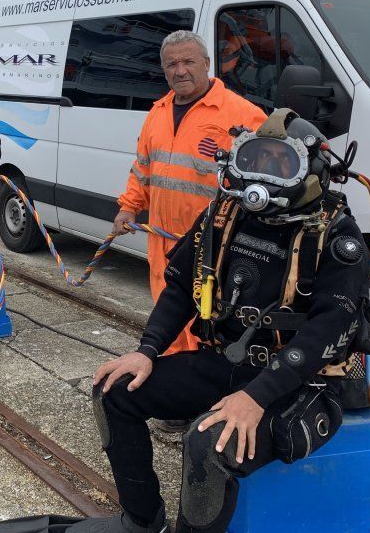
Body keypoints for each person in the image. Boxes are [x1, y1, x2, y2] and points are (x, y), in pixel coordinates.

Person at [63, 109, 370, 533]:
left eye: (280, 165)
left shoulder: (337, 237)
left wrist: (258, 397)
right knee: (112, 391)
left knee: (207, 441)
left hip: (303, 383)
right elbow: (179, 290)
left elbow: (328, 332)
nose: (262, 177)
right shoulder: (223, 216)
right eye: (253, 161)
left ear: (312, 171)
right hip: (228, 364)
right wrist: (147, 350)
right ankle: (141, 521)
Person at [113, 31, 266, 364]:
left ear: (207, 64)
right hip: (163, 246)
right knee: (166, 322)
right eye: (171, 64)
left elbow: (263, 188)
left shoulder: (244, 116)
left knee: (209, 324)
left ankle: (202, 391)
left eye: (188, 61)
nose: (180, 70)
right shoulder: (158, 111)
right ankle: (172, 386)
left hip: (212, 248)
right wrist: (128, 208)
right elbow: (143, 169)